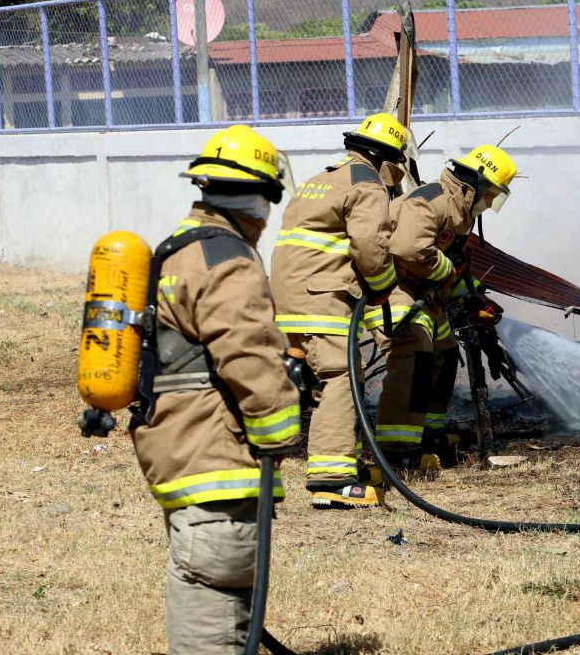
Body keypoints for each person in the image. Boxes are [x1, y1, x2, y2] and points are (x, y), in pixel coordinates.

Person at [129, 124, 301, 654]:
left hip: (181, 450)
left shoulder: (176, 249)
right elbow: (249, 354)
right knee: (217, 614)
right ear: (261, 199)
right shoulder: (226, 258)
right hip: (217, 457)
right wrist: (283, 430)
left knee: (204, 588)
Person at [271, 112, 407, 508]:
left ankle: (343, 461)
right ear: (386, 159)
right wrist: (384, 287)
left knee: (326, 374)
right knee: (340, 375)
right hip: (322, 294)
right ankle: (331, 480)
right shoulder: (368, 185)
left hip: (292, 292)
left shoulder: (323, 179)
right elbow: (370, 246)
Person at [372, 144, 516, 469]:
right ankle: (397, 449)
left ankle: (428, 435)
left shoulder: (459, 212)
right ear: (474, 184)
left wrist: (474, 299)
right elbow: (409, 249)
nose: (490, 202)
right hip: (395, 288)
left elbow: (456, 266)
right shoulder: (431, 201)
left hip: (426, 296)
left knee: (447, 355)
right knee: (414, 354)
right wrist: (447, 271)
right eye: (490, 194)